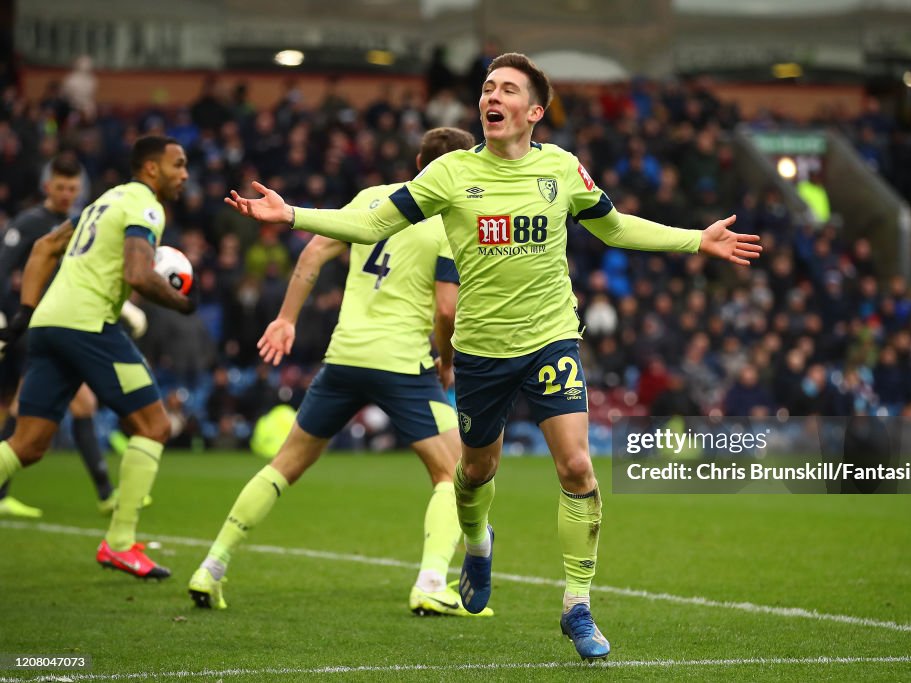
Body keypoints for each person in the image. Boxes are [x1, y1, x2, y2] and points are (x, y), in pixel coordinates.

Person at [226, 53, 762, 661]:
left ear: (534, 111)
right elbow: (372, 223)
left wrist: (697, 239)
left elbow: (613, 229)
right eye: (487, 87)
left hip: (550, 340)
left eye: (507, 88)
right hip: (480, 352)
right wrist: (290, 214)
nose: (492, 96)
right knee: (475, 473)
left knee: (578, 468)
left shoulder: (561, 169)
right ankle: (477, 543)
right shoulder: (450, 174)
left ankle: (577, 606)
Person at [187, 127, 490, 618]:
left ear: (417, 160)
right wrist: (448, 359)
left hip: (344, 357)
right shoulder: (449, 221)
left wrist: (286, 318)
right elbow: (449, 309)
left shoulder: (373, 198)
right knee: (453, 473)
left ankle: (211, 566)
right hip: (401, 364)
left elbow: (313, 252)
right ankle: (432, 582)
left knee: (284, 464)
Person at [0, 135, 194, 579]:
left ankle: (119, 536)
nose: (184, 174)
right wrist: (185, 303)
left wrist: (25, 314)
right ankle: (120, 543)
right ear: (150, 169)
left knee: (26, 446)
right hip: (86, 325)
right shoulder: (145, 206)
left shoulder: (103, 203)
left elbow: (43, 249)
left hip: (49, 325)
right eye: (177, 165)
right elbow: (138, 275)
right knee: (155, 426)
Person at [0, 156, 149, 518]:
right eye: (60, 187)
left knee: (73, 405)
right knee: (15, 409)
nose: (67, 194)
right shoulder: (31, 223)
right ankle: (104, 495)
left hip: (59, 324)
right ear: (47, 186)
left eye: (72, 188)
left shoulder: (83, 224)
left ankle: (103, 494)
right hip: (29, 323)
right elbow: (3, 268)